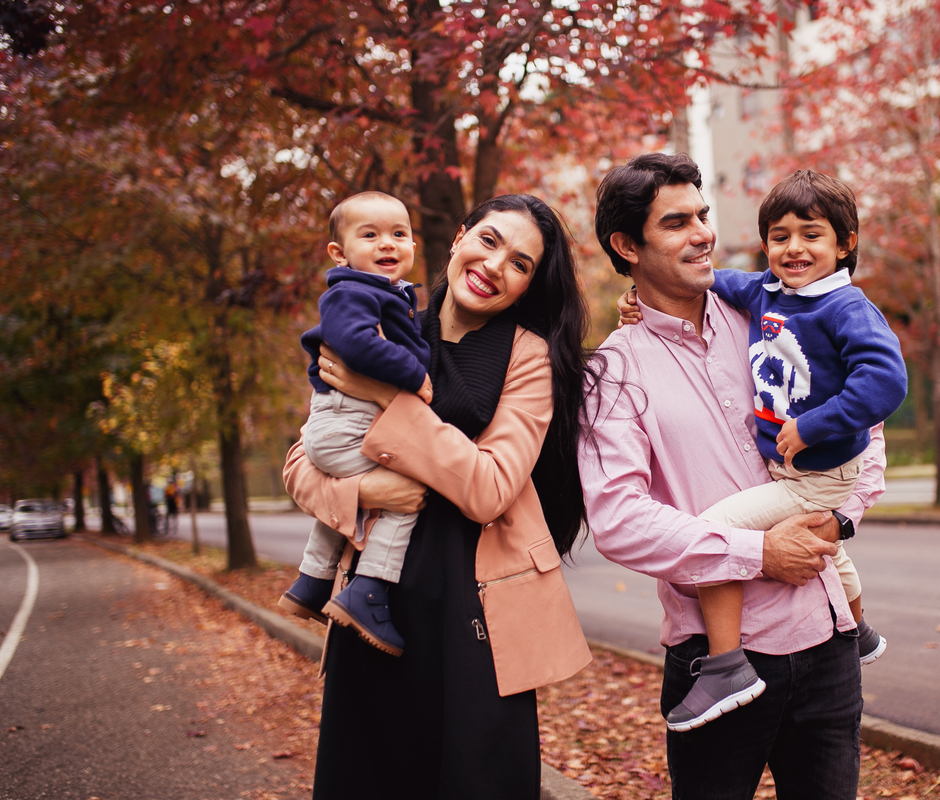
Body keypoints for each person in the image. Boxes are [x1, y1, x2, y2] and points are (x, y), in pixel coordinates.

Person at [580, 153, 886, 799]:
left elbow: (869, 429)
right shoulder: (613, 371)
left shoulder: (773, 310)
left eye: (703, 215)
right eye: (676, 223)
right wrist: (757, 553)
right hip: (720, 658)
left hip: (827, 640)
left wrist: (842, 516)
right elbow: (619, 519)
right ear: (627, 246)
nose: (702, 234)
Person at [283, 193, 592, 799]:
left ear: (528, 286)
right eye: (489, 240)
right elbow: (304, 459)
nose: (496, 265)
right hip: (373, 602)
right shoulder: (376, 320)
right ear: (458, 238)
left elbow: (490, 488)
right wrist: (367, 490)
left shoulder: (528, 358)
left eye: (521, 264)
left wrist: (388, 399)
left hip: (477, 614)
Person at [279, 190, 432, 657]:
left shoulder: (386, 294)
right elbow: (358, 344)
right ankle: (369, 590)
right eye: (371, 235)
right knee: (407, 490)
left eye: (399, 234)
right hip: (347, 423)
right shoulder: (351, 292)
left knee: (357, 493)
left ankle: (311, 581)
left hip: (344, 423)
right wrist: (416, 375)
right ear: (339, 253)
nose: (388, 243)